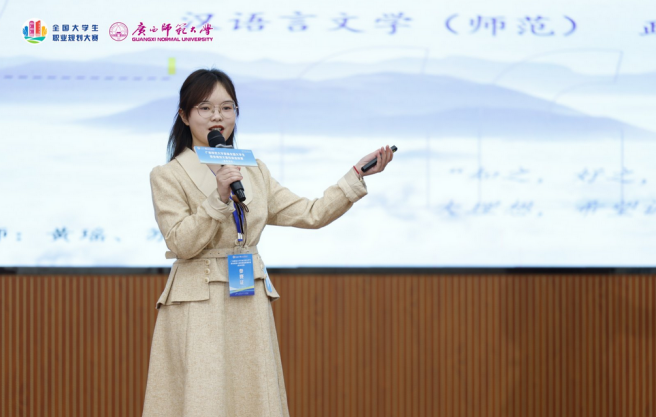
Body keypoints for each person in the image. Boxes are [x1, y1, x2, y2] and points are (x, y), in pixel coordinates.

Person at [142, 69, 394, 417]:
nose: (217, 117)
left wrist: (355, 177)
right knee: (203, 397)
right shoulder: (168, 175)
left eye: (227, 108)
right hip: (198, 302)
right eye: (205, 108)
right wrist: (217, 199)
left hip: (247, 297)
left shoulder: (253, 170)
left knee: (252, 395)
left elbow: (311, 213)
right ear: (185, 116)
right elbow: (181, 243)